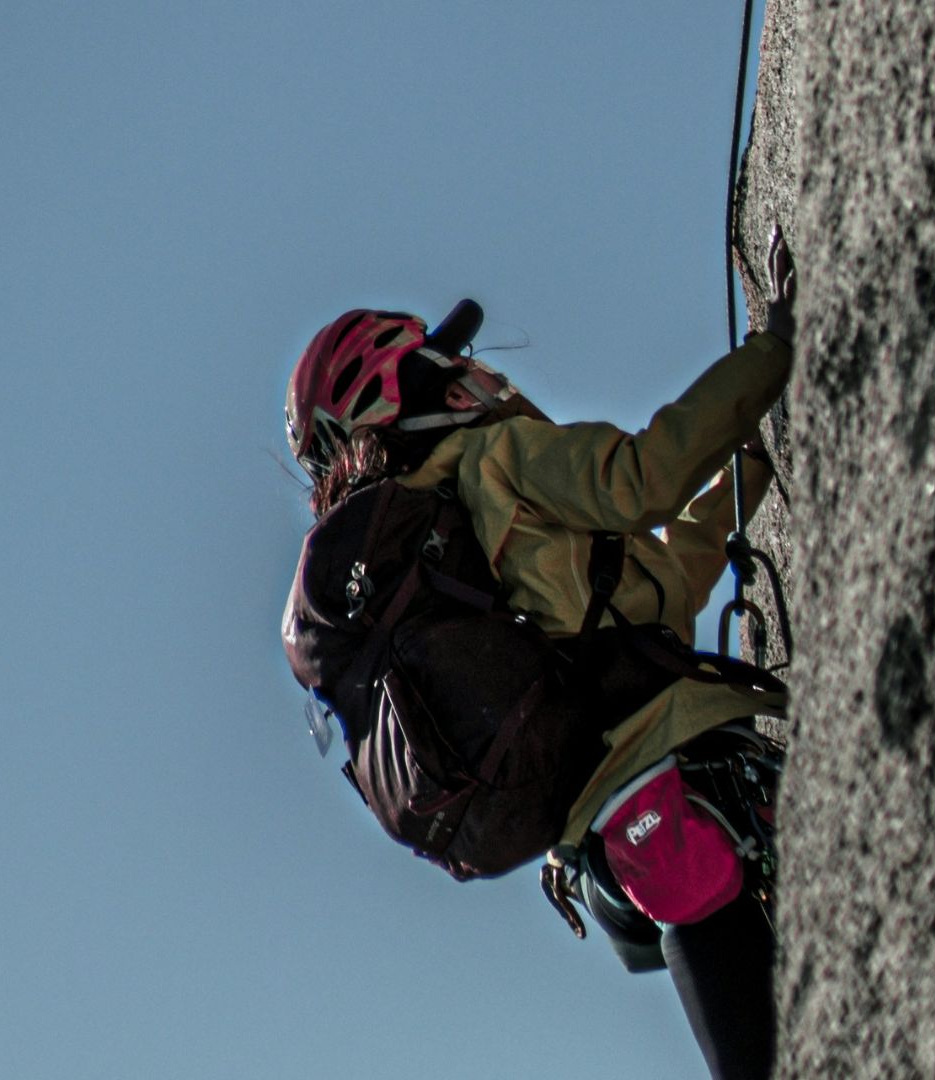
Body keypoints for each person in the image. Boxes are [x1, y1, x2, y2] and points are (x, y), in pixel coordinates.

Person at [281, 230, 798, 1080]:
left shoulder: (421, 571)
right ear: (416, 389)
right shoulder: (496, 459)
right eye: (446, 364)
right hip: (673, 754)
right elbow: (643, 481)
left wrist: (752, 466)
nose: (475, 371)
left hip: (596, 844)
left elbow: (655, 588)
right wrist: (773, 353)